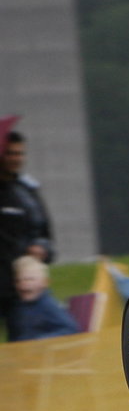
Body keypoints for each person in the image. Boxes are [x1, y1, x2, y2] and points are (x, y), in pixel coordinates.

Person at [2, 128, 57, 337]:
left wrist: (41, 248)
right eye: (10, 153)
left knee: (22, 345)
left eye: (19, 153)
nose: (16, 158)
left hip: (21, 289)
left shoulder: (26, 192)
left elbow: (45, 234)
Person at [8, 255, 79, 341]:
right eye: (18, 280)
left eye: (30, 279)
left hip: (43, 350)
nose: (23, 283)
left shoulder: (48, 306)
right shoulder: (18, 308)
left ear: (44, 283)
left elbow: (70, 329)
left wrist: (42, 341)